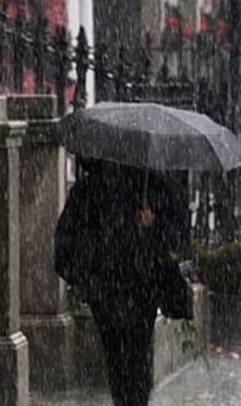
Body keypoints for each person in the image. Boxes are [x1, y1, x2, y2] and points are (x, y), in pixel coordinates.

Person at [55, 159, 193, 406]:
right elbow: (67, 244)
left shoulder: (148, 184)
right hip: (116, 288)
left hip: (133, 287)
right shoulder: (95, 188)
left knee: (129, 357)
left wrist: (152, 224)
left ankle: (130, 399)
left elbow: (176, 231)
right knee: (126, 358)